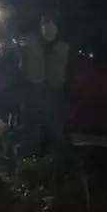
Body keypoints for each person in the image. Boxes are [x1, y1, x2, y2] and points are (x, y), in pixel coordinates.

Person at [18, 14, 72, 160]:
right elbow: (23, 66)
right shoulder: (30, 42)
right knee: (36, 122)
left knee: (53, 123)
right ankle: (35, 156)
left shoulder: (62, 46)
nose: (49, 26)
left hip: (54, 89)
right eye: (46, 22)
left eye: (51, 22)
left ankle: (58, 157)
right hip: (36, 88)